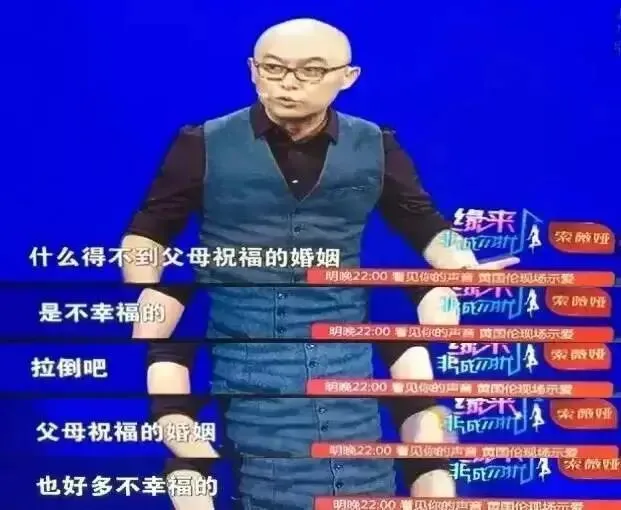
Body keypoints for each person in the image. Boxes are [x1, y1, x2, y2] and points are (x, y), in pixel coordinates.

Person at [121, 18, 518, 510]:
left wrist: (462, 264)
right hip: (236, 325)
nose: (288, 83)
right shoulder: (202, 142)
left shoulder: (375, 144)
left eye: (309, 71)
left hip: (338, 322)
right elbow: (149, 230)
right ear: (253, 71)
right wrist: (142, 294)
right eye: (274, 69)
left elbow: (422, 221)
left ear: (347, 77)